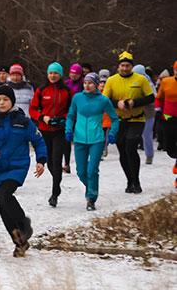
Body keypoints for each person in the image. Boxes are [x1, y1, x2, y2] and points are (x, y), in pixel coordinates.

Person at [0, 85, 47, 257]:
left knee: (5, 195)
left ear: (12, 101)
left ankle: (24, 225)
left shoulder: (23, 121)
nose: (2, 103)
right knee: (2, 204)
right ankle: (19, 242)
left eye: (5, 99)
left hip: (17, 166)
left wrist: (41, 160)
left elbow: (39, 141)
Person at [103, 52, 155, 193]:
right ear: (118, 66)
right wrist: (117, 103)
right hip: (119, 121)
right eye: (122, 66)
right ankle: (129, 180)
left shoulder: (141, 79)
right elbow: (104, 101)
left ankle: (136, 181)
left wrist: (134, 102)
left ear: (131, 66)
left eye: (127, 66)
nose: (125, 68)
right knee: (123, 151)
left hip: (137, 119)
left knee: (131, 146)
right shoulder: (112, 81)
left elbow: (151, 98)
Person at [65, 73, 119, 211]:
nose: (87, 86)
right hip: (79, 139)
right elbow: (71, 115)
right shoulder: (77, 98)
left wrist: (112, 133)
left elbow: (115, 119)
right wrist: (68, 130)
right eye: (85, 83)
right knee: (81, 171)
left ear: (96, 84)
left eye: (90, 83)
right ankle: (92, 188)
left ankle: (91, 199)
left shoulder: (104, 101)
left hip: (97, 139)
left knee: (92, 170)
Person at [29, 62, 72, 207]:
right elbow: (33, 109)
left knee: (57, 159)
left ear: (60, 75)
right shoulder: (41, 90)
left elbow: (72, 110)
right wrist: (43, 117)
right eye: (51, 73)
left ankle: (54, 193)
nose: (53, 76)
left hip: (60, 130)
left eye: (56, 73)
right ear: (47, 74)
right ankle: (57, 183)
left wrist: (63, 119)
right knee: (49, 163)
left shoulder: (67, 91)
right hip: (44, 129)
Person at [155, 61, 177, 188]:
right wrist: (158, 111)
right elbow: (159, 98)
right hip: (168, 117)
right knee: (169, 148)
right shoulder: (166, 82)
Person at [133, 64, 157, 165]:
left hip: (148, 112)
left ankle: (149, 155)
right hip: (135, 112)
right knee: (134, 134)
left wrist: (142, 100)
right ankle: (132, 155)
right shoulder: (133, 82)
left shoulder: (149, 83)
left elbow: (154, 97)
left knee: (146, 134)